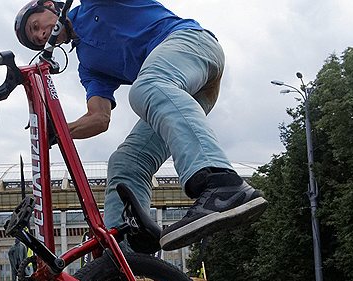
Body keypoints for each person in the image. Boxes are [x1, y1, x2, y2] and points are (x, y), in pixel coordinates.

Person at [14, 0, 267, 252]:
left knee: (146, 88)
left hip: (191, 44)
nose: (41, 34)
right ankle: (121, 255)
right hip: (178, 91)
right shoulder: (88, 65)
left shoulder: (93, 4)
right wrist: (58, 132)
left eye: (37, 25)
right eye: (35, 38)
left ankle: (222, 183)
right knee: (126, 162)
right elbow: (99, 119)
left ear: (50, 6)